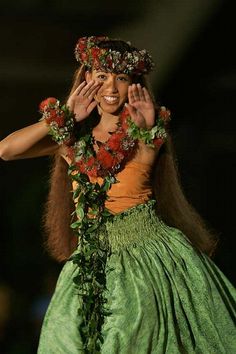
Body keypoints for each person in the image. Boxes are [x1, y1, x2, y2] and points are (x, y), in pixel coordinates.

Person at [0, 35, 235, 354]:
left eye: (121, 79)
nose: (111, 88)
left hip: (147, 258)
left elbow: (151, 139)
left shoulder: (144, 130)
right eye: (102, 77)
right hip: (89, 263)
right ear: (87, 79)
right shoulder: (72, 137)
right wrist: (64, 116)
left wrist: (149, 128)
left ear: (133, 84)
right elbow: (7, 150)